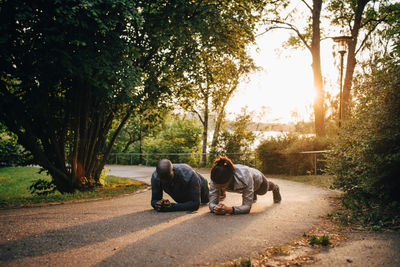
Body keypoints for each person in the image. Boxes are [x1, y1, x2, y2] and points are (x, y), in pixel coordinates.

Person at [209, 156, 281, 215]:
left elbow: (247, 207)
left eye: (222, 186)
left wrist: (230, 210)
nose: (219, 189)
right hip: (248, 185)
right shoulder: (215, 177)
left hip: (259, 181)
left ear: (231, 178)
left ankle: (275, 187)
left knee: (263, 191)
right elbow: (212, 203)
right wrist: (216, 208)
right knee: (250, 194)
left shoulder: (245, 177)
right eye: (216, 186)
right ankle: (252, 194)